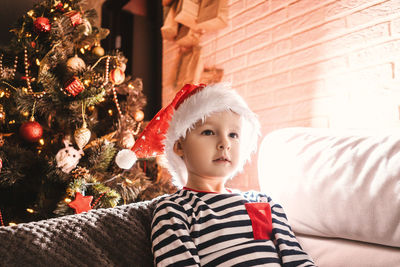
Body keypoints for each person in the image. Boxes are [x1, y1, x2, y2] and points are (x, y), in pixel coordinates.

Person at [118, 83, 315, 266]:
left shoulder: (264, 203)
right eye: (209, 132)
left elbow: (298, 261)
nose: (225, 143)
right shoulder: (174, 210)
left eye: (233, 135)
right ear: (179, 146)